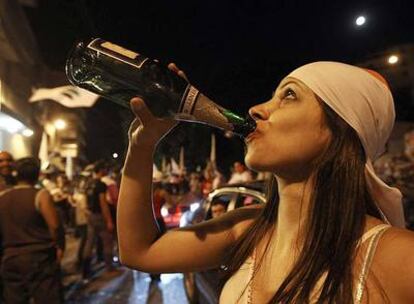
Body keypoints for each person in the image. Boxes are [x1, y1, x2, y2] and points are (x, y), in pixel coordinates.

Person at [117, 62, 414, 303]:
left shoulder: (399, 259)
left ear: (340, 131)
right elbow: (139, 251)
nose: (255, 110)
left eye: (288, 95)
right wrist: (142, 146)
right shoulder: (247, 231)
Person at [0, 157, 64, 303]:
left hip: (11, 259)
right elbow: (55, 226)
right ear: (36, 175)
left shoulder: (2, 197)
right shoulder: (40, 195)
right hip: (39, 258)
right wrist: (60, 246)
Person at [82, 161, 114, 278]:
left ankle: (85, 271)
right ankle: (109, 268)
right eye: (105, 169)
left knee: (89, 243)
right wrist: (109, 221)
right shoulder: (100, 185)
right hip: (100, 216)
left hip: (90, 215)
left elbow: (85, 202)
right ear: (101, 170)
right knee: (107, 241)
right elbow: (103, 203)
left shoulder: (88, 184)